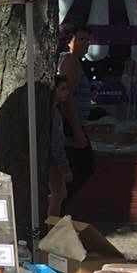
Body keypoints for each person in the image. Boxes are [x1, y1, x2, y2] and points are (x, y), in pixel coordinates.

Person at [57, 25, 94, 206]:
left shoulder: (74, 61)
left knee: (78, 168)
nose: (86, 44)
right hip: (69, 125)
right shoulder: (70, 61)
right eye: (81, 39)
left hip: (72, 125)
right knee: (81, 167)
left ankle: (57, 207)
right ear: (69, 42)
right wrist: (77, 130)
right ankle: (56, 208)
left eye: (88, 40)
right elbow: (66, 97)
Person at [48, 75, 73, 217]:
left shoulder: (55, 111)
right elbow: (55, 143)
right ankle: (51, 229)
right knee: (57, 195)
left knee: (60, 194)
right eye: (62, 89)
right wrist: (65, 169)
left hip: (53, 160)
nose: (67, 92)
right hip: (53, 162)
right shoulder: (53, 113)